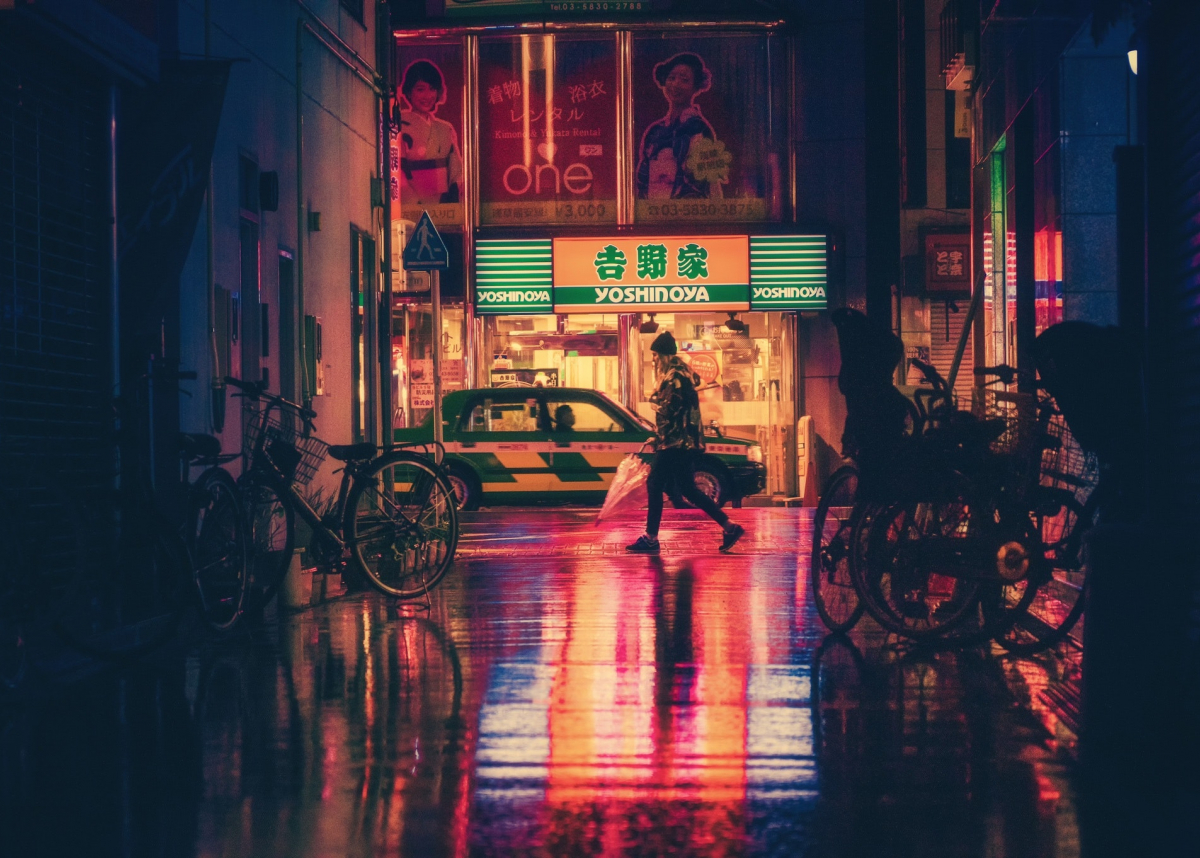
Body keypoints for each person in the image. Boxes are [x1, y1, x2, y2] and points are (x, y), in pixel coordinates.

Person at [627, 331, 745, 554]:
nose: (653, 359)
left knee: (654, 484)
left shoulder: (674, 377)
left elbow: (671, 411)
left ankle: (651, 538)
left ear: (663, 355)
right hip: (682, 442)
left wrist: (657, 417)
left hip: (675, 443)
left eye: (655, 354)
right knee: (688, 490)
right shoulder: (679, 374)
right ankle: (729, 527)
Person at [635, 52, 724, 201]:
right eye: (671, 78)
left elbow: (709, 181)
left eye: (684, 80)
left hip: (688, 214)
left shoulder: (699, 129)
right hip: (654, 214)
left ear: (696, 86)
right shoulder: (654, 131)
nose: (675, 84)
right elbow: (642, 181)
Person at [395, 60, 463, 208]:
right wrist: (414, 204)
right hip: (414, 203)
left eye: (432, 89)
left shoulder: (445, 129)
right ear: (409, 92)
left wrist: (452, 198)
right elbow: (399, 172)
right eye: (420, 89)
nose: (427, 95)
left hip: (443, 204)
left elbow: (456, 171)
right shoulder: (399, 125)